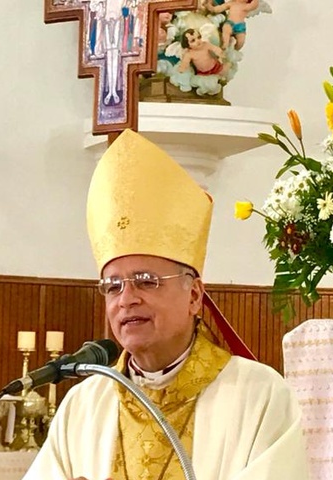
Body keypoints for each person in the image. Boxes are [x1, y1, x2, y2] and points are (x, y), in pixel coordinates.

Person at [22, 130, 309, 480]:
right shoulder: (84, 405)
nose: (127, 299)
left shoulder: (259, 396)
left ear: (194, 296)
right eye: (113, 287)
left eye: (146, 281)